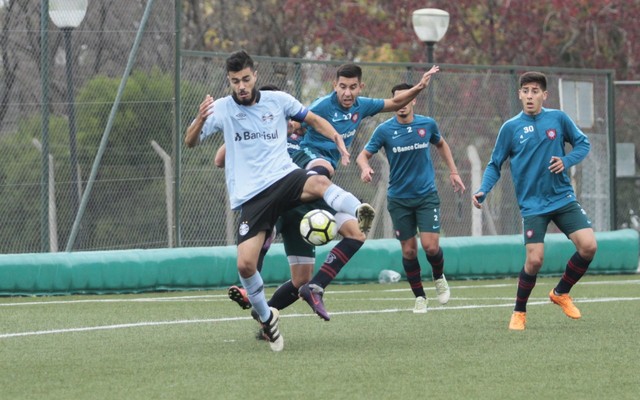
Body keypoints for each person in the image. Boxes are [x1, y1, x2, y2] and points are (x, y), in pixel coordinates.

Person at [184, 50, 376, 351]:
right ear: (230, 81)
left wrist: (338, 140)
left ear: (254, 75)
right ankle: (266, 317)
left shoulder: (278, 101)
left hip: (284, 178)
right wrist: (199, 119)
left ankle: (358, 209)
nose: (242, 86)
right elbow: (191, 141)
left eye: (246, 79)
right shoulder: (221, 109)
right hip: (252, 196)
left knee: (319, 182)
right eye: (235, 81)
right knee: (245, 266)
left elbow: (313, 118)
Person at [471, 71, 597, 331]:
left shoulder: (558, 119)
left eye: (535, 91)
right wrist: (484, 190)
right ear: (519, 94)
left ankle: (561, 292)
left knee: (588, 246)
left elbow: (583, 144)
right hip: (533, 205)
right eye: (525, 91)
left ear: (544, 95)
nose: (530, 96)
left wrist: (566, 160)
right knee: (535, 260)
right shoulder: (510, 127)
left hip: (562, 198)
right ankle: (519, 311)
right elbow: (495, 164)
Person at [356, 83, 466, 313]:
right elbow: (362, 156)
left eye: (407, 100)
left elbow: (441, 144)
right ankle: (420, 297)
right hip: (398, 199)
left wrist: (454, 172)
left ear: (413, 100)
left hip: (426, 196)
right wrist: (365, 168)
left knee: (431, 246)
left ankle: (438, 277)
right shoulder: (385, 130)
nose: (402, 105)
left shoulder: (427, 124)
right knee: (408, 251)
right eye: (398, 101)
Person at [291, 63, 440, 179]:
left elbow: (394, 103)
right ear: (335, 85)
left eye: (353, 87)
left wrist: (420, 86)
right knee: (322, 177)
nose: (347, 93)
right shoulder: (322, 105)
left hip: (330, 161)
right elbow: (294, 124)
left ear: (360, 87)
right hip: (307, 154)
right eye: (342, 87)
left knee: (317, 196)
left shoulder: (362, 105)